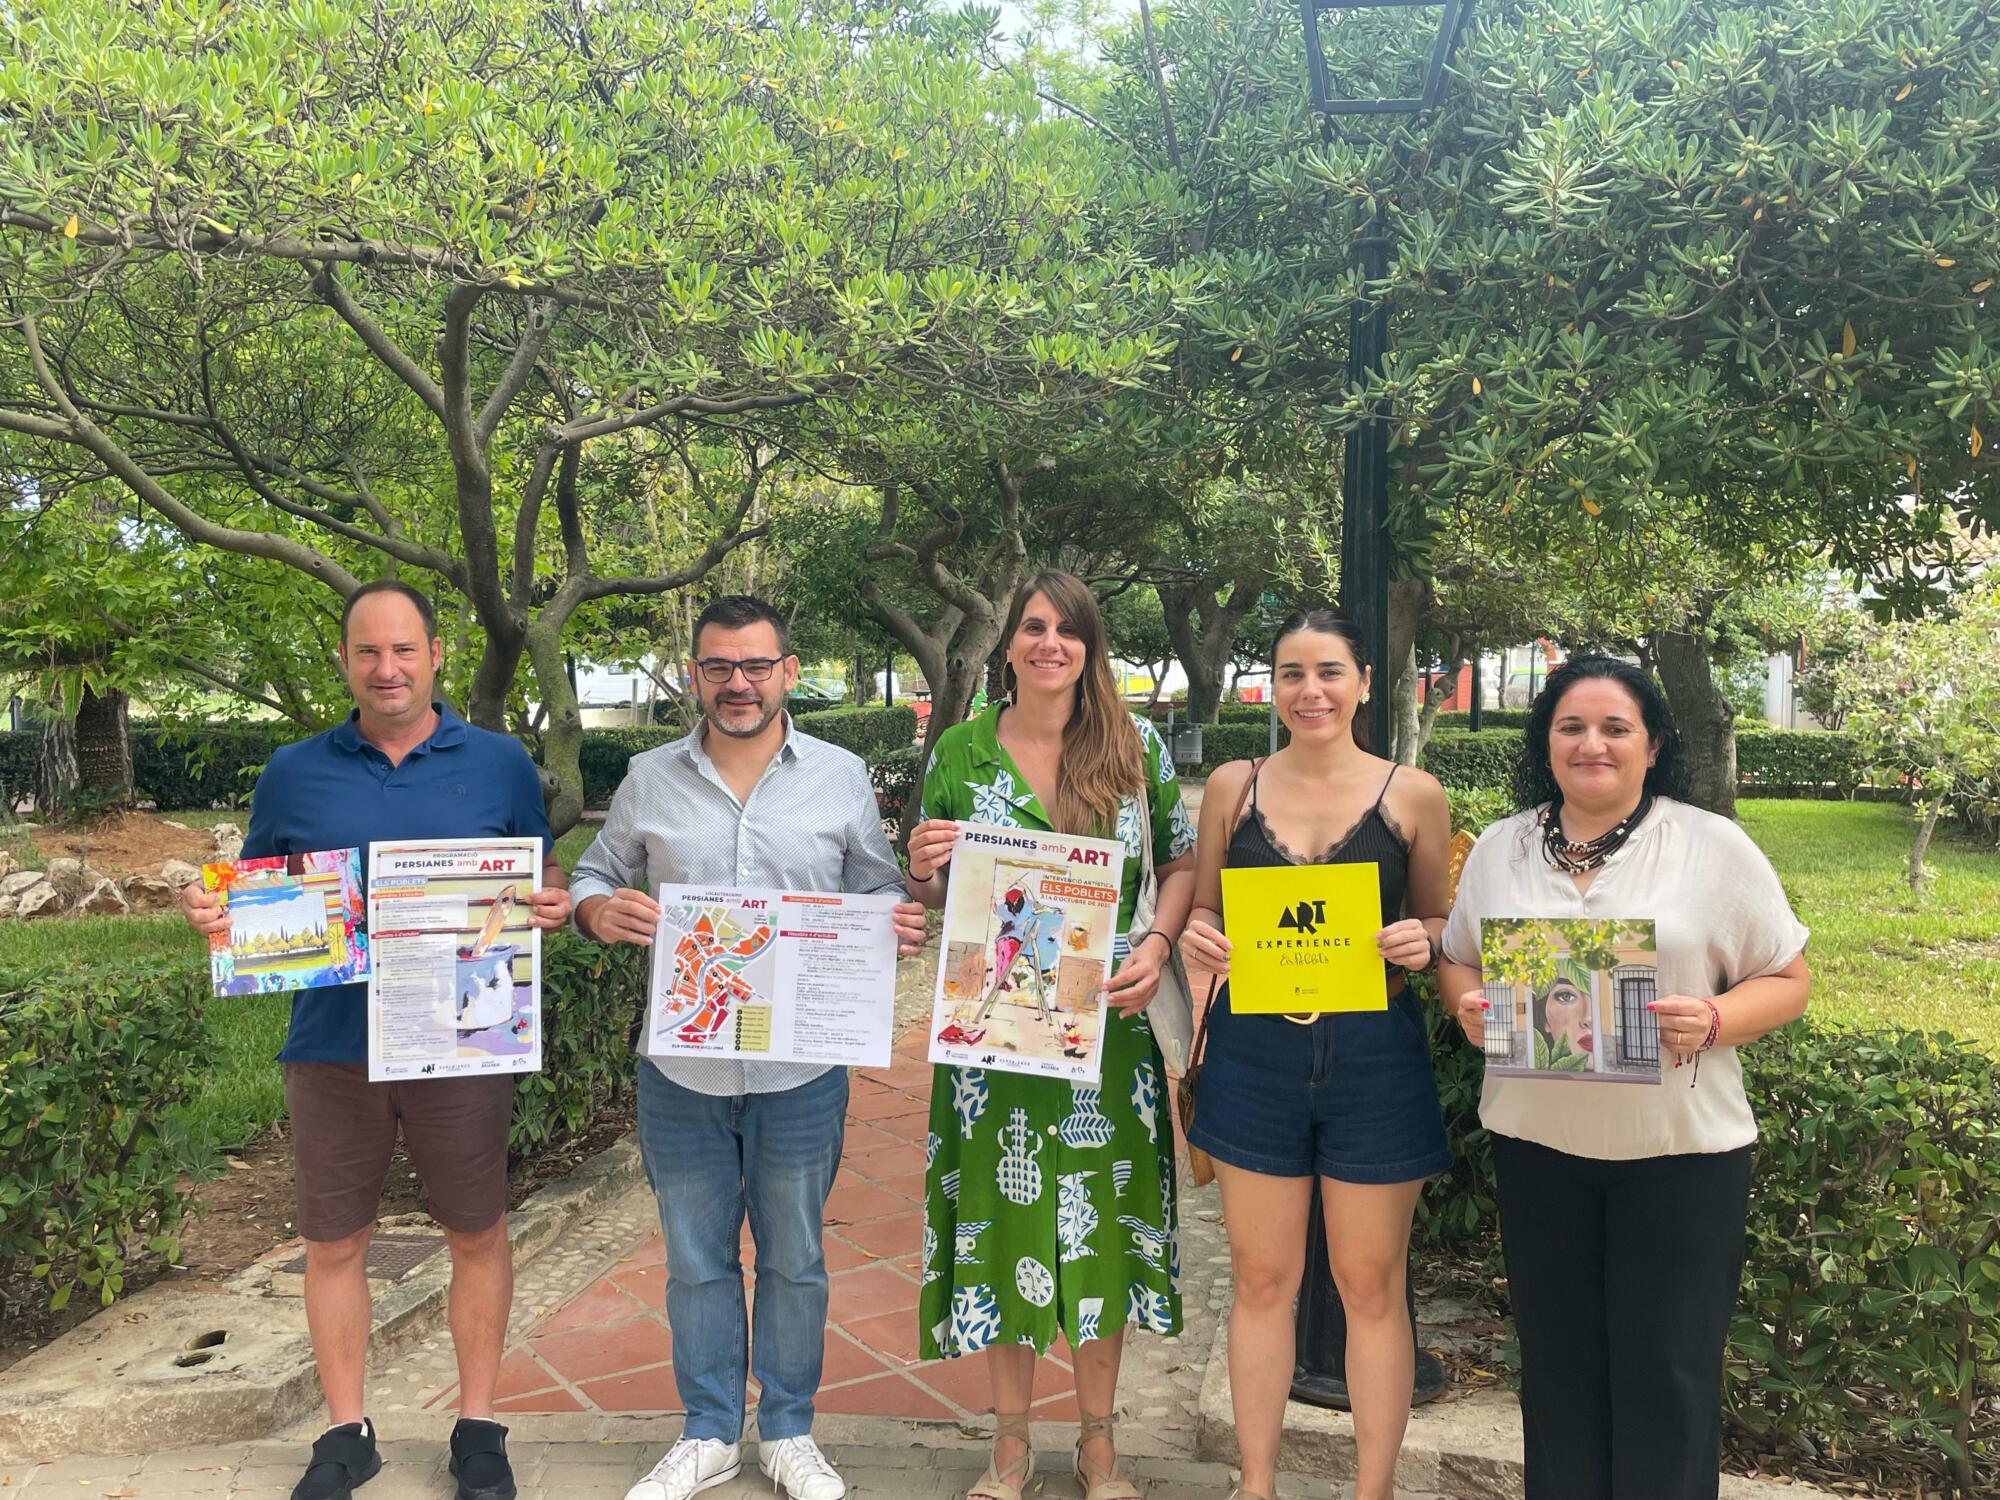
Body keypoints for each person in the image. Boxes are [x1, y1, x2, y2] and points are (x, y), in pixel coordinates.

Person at [179, 580, 572, 1500]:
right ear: (345, 662)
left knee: (477, 1232)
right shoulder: (292, 771)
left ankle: (479, 1428)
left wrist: (550, 898)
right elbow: (257, 892)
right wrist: (213, 909)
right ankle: (345, 1433)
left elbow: (541, 867)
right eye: (368, 651)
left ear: (436, 654)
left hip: (464, 1040)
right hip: (331, 1045)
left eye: (403, 650)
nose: (386, 668)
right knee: (333, 1242)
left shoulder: (502, 763)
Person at [569, 595, 928, 1500]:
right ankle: (709, 1432)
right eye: (720, 666)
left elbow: (878, 886)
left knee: (795, 1260)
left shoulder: (840, 775)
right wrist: (596, 910)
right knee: (695, 1262)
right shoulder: (649, 776)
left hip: (800, 1070)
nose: (739, 683)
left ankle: (790, 1430)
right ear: (694, 675)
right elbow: (595, 871)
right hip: (681, 1069)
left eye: (757, 666)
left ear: (788, 673)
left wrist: (893, 920)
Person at [1437, 654, 1811, 1500]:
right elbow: (1457, 959)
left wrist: (1713, 1018)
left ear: (1654, 745)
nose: (1592, 744)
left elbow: (1788, 980)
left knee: (1668, 1377)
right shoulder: (1500, 848)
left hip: (1680, 1157)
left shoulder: (1710, 846)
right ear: (1545, 741)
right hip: (1539, 1149)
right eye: (1571, 726)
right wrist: (1466, 1005)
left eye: (1615, 728)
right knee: (1557, 1373)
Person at [904, 570, 1196, 1500]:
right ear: (1009, 644)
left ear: (1089, 647)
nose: (1049, 644)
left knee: (1103, 1232)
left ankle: (1100, 1444)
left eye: (1068, 630)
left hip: (1111, 1034)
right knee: (1002, 1231)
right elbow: (935, 891)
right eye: (1033, 627)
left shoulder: (1134, 745)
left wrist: (1158, 943)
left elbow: (1181, 862)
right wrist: (920, 866)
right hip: (994, 1043)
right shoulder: (960, 750)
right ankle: (1011, 1445)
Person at [1176, 607, 1453, 1500]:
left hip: (1374, 1057)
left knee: (1370, 1285)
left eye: (1329, 671)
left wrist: (1423, 940)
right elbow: (1207, 905)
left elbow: (1441, 920)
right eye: (1291, 673)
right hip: (1254, 1053)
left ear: (1365, 682)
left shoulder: (1412, 795)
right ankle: (1255, 1484)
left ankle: (1373, 1490)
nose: (1310, 691)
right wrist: (1201, 934)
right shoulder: (1234, 787)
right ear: (1273, 686)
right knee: (1262, 1280)